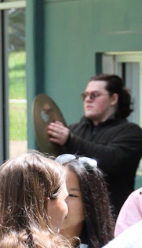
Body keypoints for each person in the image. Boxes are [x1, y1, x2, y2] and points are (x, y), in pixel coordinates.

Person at [46, 73, 142, 214]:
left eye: (94, 95)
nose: (88, 100)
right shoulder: (73, 130)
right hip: (74, 215)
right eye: (85, 95)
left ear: (113, 98)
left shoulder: (130, 132)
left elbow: (111, 161)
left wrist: (70, 141)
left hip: (111, 216)